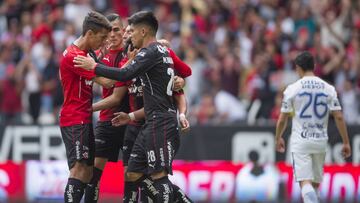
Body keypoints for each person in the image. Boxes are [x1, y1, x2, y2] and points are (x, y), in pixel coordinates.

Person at [74, 11, 189, 202]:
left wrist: (92, 66)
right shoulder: (161, 51)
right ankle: (174, 198)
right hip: (147, 121)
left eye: (132, 31)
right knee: (134, 173)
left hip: (159, 122)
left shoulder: (149, 52)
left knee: (159, 177)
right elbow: (181, 73)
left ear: (143, 31)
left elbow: (125, 74)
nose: (129, 35)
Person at [275, 51, 351, 203]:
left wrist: (278, 138)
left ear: (298, 68)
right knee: (315, 185)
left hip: (301, 141)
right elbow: (339, 116)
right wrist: (346, 142)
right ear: (314, 66)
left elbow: (283, 118)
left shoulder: (292, 89)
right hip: (320, 140)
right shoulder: (328, 88)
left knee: (305, 183)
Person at [59, 11, 115, 203]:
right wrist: (132, 63)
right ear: (90, 34)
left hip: (83, 117)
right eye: (102, 37)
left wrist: (100, 56)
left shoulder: (86, 54)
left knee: (88, 171)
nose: (104, 41)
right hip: (74, 118)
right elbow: (107, 82)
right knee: (78, 169)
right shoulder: (76, 57)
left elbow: (93, 64)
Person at [84, 13, 129, 203]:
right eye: (109, 30)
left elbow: (115, 94)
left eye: (116, 29)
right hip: (107, 121)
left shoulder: (132, 54)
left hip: (130, 120)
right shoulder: (101, 56)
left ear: (124, 30)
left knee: (132, 177)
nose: (112, 34)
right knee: (92, 176)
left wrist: (87, 108)